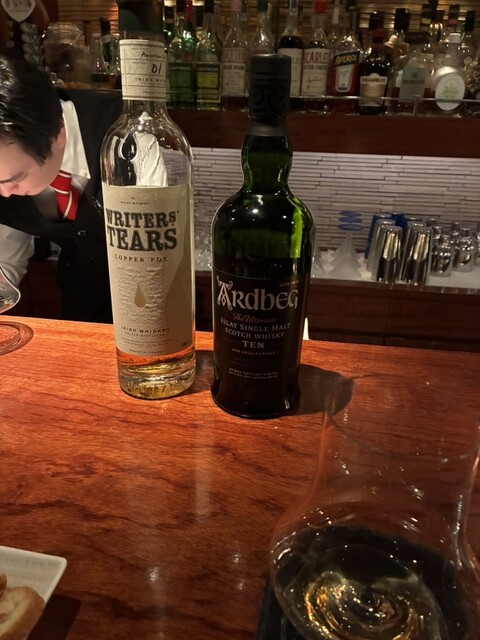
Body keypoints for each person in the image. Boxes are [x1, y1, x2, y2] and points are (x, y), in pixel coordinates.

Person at [0, 55, 123, 322]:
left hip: (150, 296)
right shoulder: (6, 178)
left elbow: (159, 249)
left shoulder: (125, 130)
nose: (5, 193)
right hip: (79, 301)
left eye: (15, 178)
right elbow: (6, 257)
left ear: (58, 134)